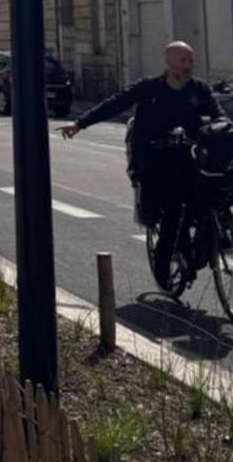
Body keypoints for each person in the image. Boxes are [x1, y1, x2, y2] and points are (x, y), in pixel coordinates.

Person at [62, 41, 218, 287]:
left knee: (206, 200)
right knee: (174, 209)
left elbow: (219, 118)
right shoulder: (150, 88)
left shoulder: (198, 90)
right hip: (154, 158)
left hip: (188, 157)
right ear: (168, 62)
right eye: (182, 61)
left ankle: (199, 249)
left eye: (190, 60)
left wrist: (228, 133)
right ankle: (163, 265)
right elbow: (115, 103)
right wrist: (80, 123)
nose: (188, 66)